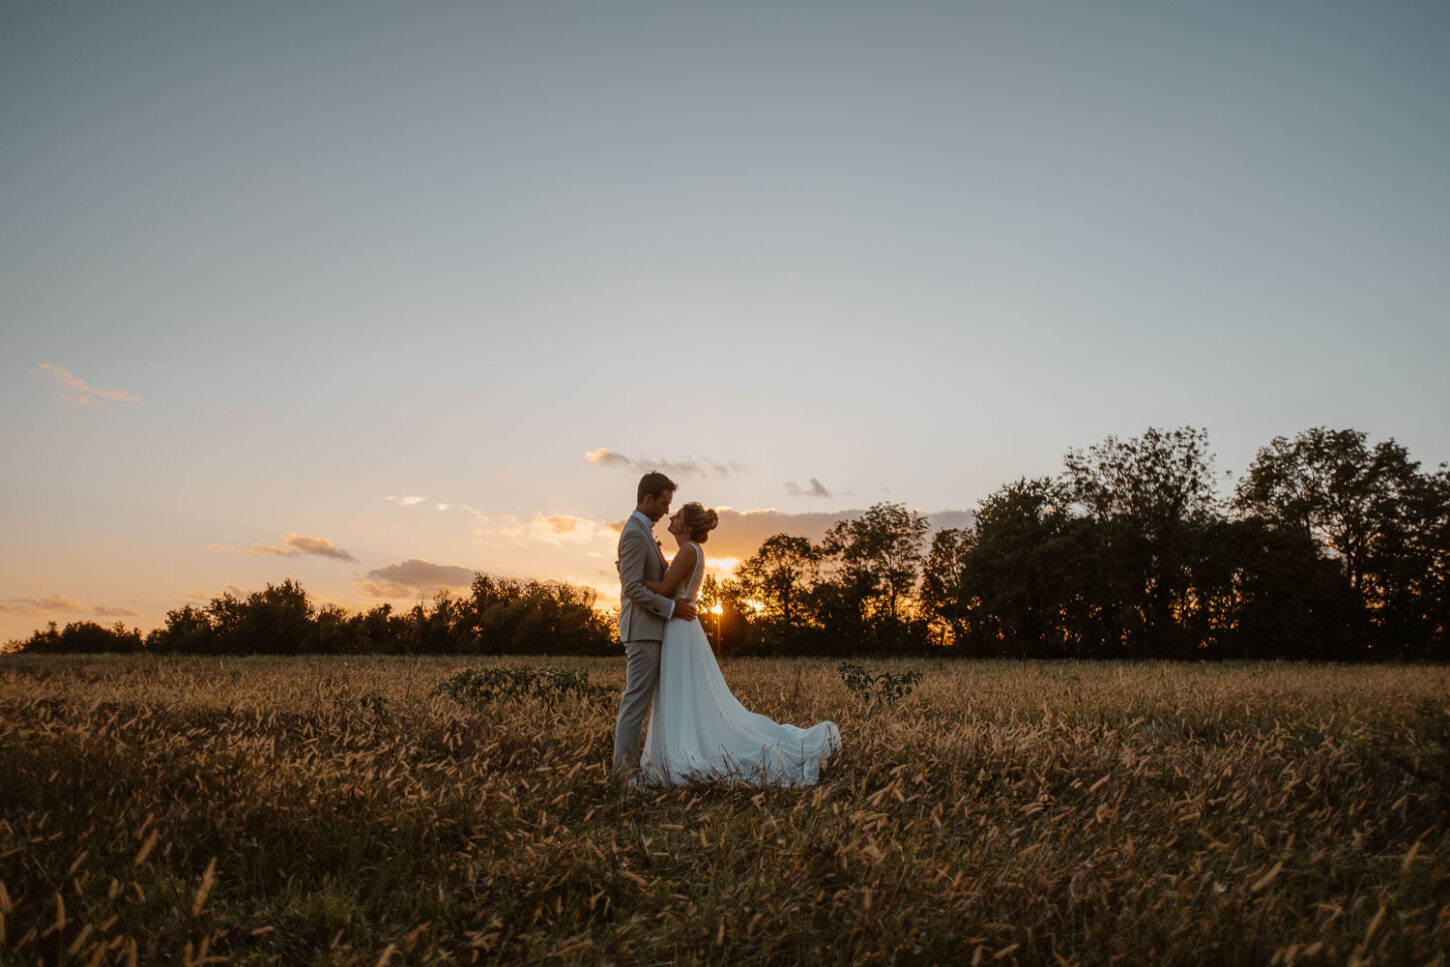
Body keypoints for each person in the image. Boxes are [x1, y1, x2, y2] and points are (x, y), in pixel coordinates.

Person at [638, 501, 841, 786]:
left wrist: (630, 576)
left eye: (678, 515)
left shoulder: (688, 550)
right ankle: (684, 742)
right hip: (683, 625)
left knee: (681, 688)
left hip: (679, 627)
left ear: (688, 526)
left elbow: (663, 588)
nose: (671, 517)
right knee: (686, 690)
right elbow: (670, 583)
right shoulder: (691, 551)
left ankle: (682, 747)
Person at [612, 471, 697, 774]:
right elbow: (632, 587)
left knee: (644, 701)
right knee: (636, 702)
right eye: (663, 503)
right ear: (647, 498)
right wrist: (672, 608)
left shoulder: (643, 532)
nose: (666, 510)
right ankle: (622, 773)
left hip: (652, 628)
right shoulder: (635, 533)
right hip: (643, 629)